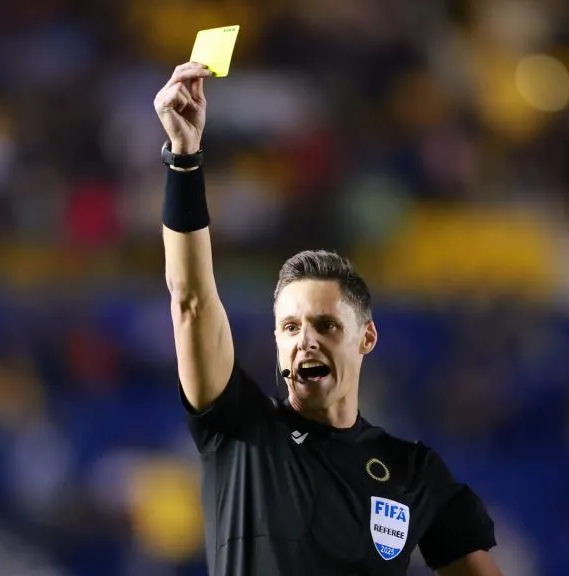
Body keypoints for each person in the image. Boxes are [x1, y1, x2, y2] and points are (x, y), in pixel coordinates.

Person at [154, 61, 503, 576]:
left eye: (326, 325)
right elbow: (191, 299)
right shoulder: (240, 431)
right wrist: (184, 159)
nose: (306, 341)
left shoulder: (412, 473)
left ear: (367, 337)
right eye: (291, 328)